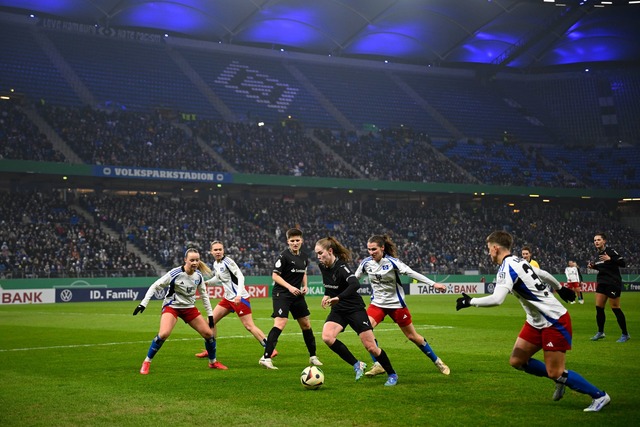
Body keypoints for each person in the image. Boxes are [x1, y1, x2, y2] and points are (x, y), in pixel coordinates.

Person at [456, 231, 610, 412]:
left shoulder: (507, 268)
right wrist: (559, 288)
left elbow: (497, 299)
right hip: (535, 322)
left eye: (489, 249)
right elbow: (543, 273)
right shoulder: (519, 261)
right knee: (517, 361)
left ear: (496, 248)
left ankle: (599, 396)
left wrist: (470, 301)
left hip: (554, 320)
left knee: (556, 371)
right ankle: (560, 378)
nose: (488, 252)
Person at [354, 234, 450, 377]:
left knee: (413, 337)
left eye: (374, 249)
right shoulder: (366, 263)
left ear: (382, 248)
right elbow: (353, 280)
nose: (371, 252)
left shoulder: (392, 262)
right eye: (369, 249)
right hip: (377, 304)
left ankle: (438, 361)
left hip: (396, 305)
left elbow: (412, 273)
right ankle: (379, 364)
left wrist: (433, 284)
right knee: (365, 331)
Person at [315, 236, 398, 386]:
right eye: (317, 254)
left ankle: (392, 374)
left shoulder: (342, 268)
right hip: (339, 309)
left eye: (321, 253)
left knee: (371, 347)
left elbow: (355, 285)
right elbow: (329, 284)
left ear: (330, 251)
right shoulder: (323, 267)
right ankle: (356, 364)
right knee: (327, 337)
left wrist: (338, 297)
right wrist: (326, 295)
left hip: (354, 309)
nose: (318, 257)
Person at [133, 248, 227, 375]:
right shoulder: (175, 273)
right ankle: (147, 362)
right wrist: (143, 303)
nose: (195, 263)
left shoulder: (198, 276)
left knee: (209, 335)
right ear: (185, 260)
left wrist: (210, 315)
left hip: (189, 308)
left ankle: (212, 362)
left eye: (197, 260)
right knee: (164, 334)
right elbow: (155, 285)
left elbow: (204, 296)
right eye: (192, 260)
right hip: (172, 307)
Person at [195, 240, 276, 360]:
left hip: (239, 298)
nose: (218, 252)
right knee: (210, 321)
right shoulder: (216, 264)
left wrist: (238, 295)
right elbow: (218, 278)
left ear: (223, 250)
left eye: (220, 249)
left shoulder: (228, 262)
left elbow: (240, 276)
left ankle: (270, 348)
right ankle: (210, 350)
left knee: (249, 326)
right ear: (211, 252)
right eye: (215, 250)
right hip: (228, 299)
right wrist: (207, 282)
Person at [259, 228, 322, 369]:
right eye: (292, 241)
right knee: (280, 323)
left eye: (297, 240)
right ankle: (266, 357)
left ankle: (313, 356)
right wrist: (290, 287)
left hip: (297, 294)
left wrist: (305, 286)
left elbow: (303, 273)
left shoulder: (304, 257)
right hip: (282, 294)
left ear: (301, 241)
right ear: (288, 241)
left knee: (306, 324)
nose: (295, 243)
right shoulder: (284, 256)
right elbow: (275, 276)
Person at [587, 232, 629, 343]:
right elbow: (604, 268)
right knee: (599, 307)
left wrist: (610, 259)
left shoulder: (610, 251)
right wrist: (594, 266)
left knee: (615, 307)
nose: (596, 242)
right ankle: (600, 332)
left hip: (613, 282)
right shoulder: (597, 254)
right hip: (602, 282)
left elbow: (623, 263)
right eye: (595, 240)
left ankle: (625, 334)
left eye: (599, 240)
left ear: (604, 241)